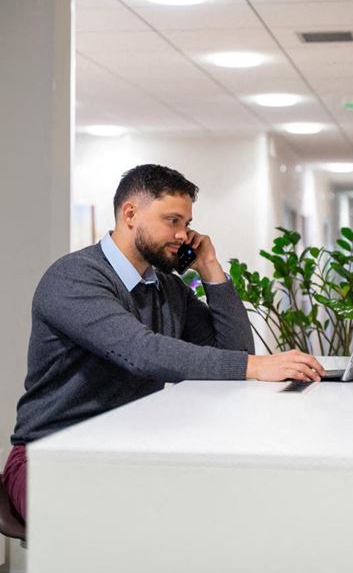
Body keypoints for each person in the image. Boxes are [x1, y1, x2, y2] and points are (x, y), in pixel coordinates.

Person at [2, 164, 325, 521]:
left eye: (187, 224)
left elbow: (235, 355)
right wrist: (257, 366)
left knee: (216, 512)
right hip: (52, 453)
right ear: (130, 214)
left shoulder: (168, 288)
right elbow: (142, 352)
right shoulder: (74, 278)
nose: (184, 235)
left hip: (130, 452)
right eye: (173, 221)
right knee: (109, 529)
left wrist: (212, 270)